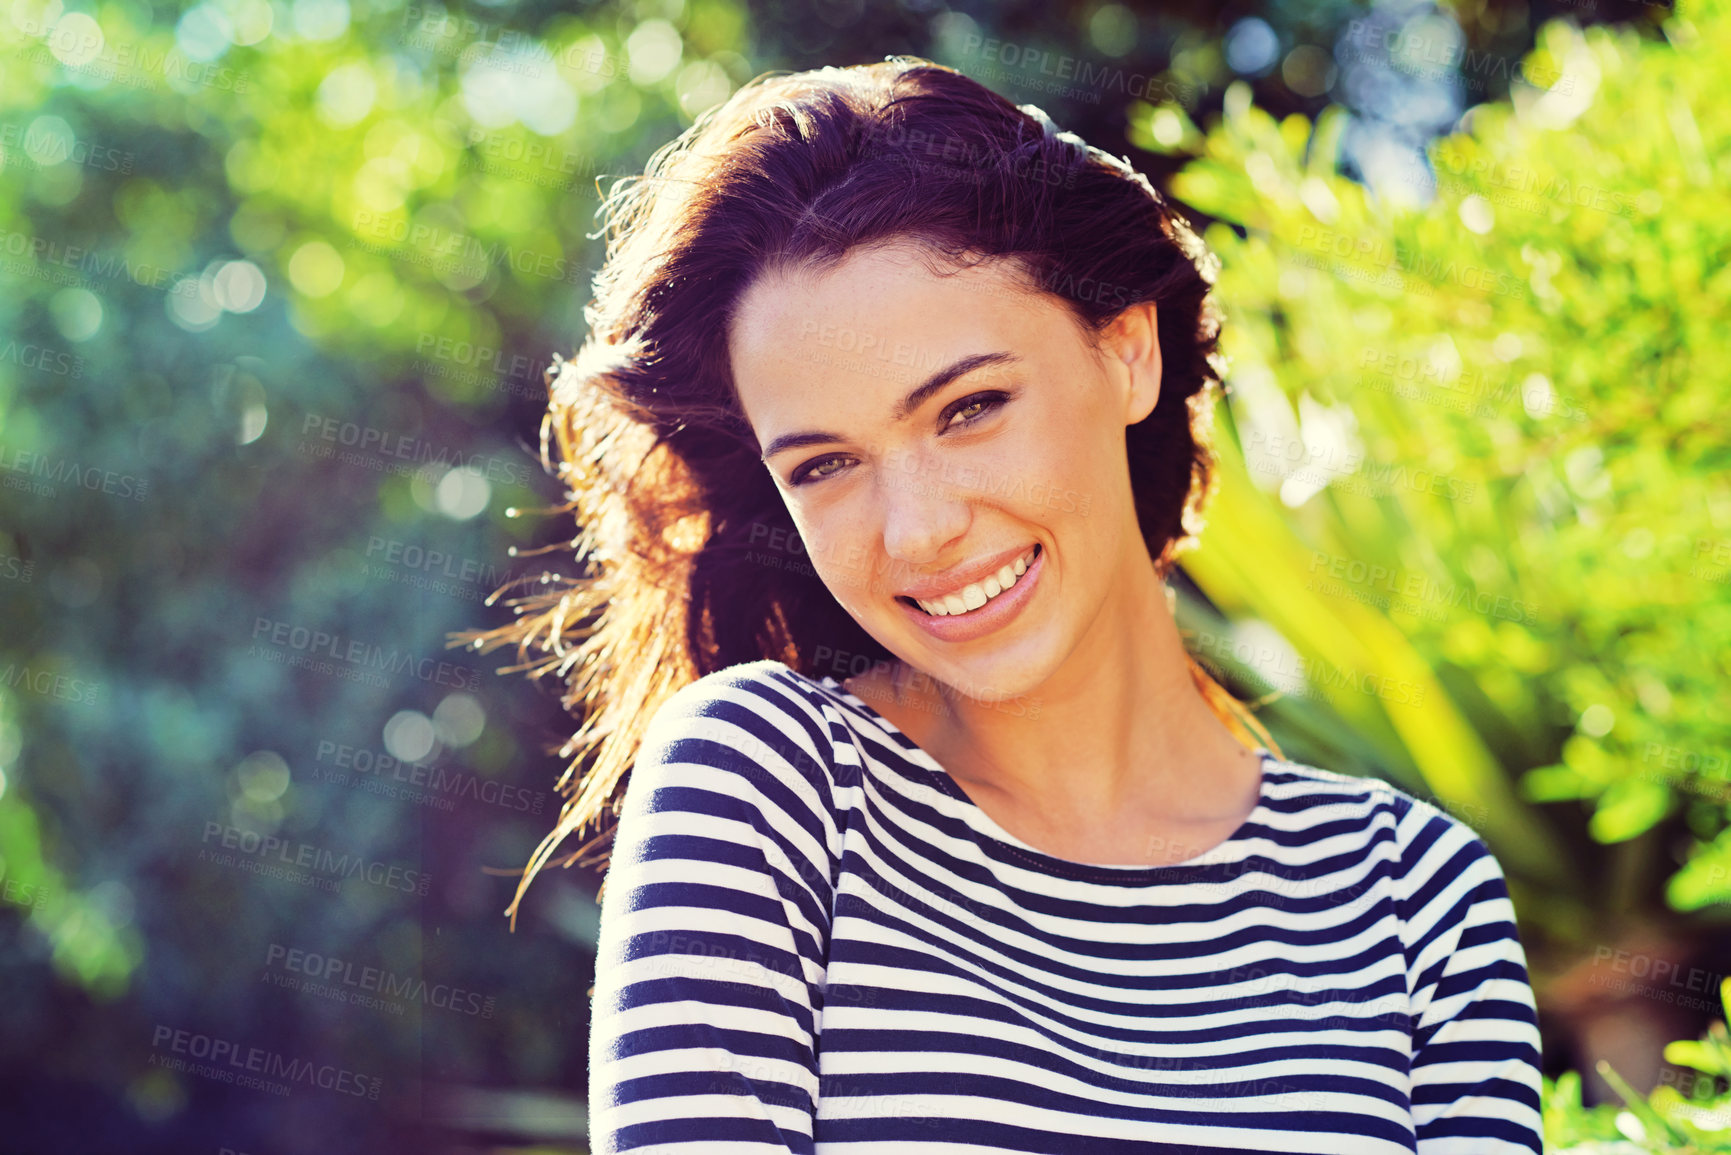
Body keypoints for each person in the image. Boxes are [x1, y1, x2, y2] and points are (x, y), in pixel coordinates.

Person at [469, 56, 1544, 1153]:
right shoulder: (769, 792)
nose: (918, 529)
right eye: (825, 466)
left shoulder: (1414, 897)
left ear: (1126, 351)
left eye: (970, 407)